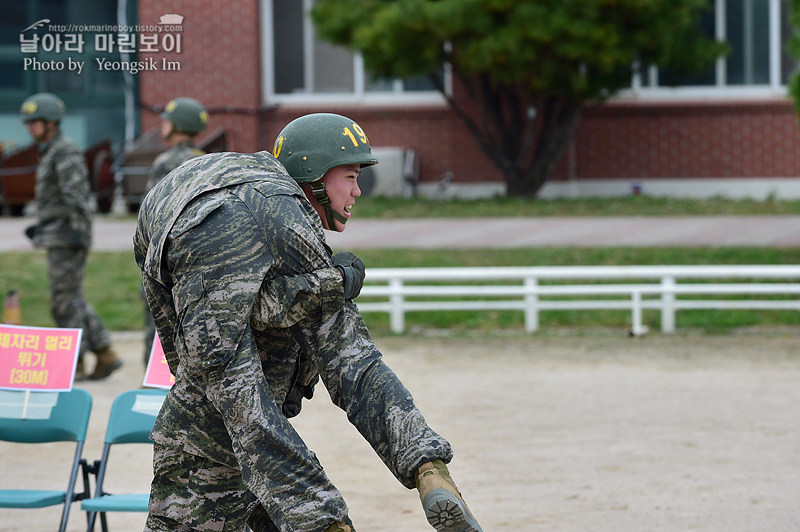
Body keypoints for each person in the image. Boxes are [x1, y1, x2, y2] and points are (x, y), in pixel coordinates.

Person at [135, 112, 483, 532]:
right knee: (350, 355)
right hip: (251, 224)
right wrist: (331, 283)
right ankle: (427, 468)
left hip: (173, 233)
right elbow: (345, 358)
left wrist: (204, 362)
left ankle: (321, 518)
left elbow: (194, 327)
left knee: (234, 393)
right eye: (351, 176)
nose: (357, 191)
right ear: (313, 173)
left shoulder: (222, 180)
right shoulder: (286, 205)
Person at [20, 92, 122, 380]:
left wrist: (78, 234)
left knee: (64, 302)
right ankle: (103, 352)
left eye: (34, 122)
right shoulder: (52, 150)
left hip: (68, 237)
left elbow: (75, 197)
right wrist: (43, 226)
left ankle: (73, 362)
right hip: (59, 234)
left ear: (51, 123)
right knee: (70, 299)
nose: (30, 128)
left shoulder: (64, 151)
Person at [141, 97, 208, 366]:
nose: (163, 125)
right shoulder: (207, 160)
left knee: (157, 314)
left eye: (167, 120)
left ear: (179, 125)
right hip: (197, 252)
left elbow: (152, 212)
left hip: (164, 253)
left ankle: (151, 374)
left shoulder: (165, 161)